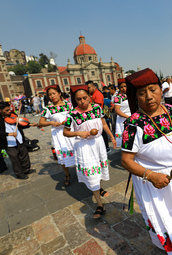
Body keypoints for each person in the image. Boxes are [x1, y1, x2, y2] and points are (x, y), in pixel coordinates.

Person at [121, 68, 172, 254]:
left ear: (162, 89)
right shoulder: (134, 124)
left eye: (153, 89)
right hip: (155, 183)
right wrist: (151, 175)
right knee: (166, 218)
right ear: (136, 98)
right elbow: (126, 160)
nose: (149, 96)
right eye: (142, 93)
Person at [63, 85, 116, 218]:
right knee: (91, 174)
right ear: (75, 100)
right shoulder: (72, 115)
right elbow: (65, 132)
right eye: (79, 99)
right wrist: (78, 133)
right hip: (84, 146)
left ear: (89, 97)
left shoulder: (97, 108)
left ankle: (98, 187)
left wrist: (112, 137)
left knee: (99, 169)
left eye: (84, 98)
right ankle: (100, 205)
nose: (82, 101)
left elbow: (103, 123)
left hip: (98, 143)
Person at [0, 102, 37, 179]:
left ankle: (26, 169)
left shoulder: (13, 115)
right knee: (14, 158)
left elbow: (20, 125)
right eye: (6, 110)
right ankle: (19, 173)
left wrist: (29, 125)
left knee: (24, 155)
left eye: (9, 109)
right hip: (8, 141)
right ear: (0, 110)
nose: (9, 111)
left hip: (19, 139)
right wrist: (7, 134)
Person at [38, 85, 75, 186]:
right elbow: (41, 122)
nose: (52, 96)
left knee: (77, 151)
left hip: (71, 131)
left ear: (59, 93)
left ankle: (81, 171)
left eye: (54, 93)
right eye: (50, 95)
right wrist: (52, 123)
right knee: (63, 155)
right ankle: (67, 174)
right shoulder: (48, 109)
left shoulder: (69, 105)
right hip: (59, 135)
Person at [86, 80, 110, 153]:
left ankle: (106, 147)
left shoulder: (98, 94)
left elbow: (97, 107)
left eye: (89, 87)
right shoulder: (91, 94)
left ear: (93, 86)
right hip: (95, 117)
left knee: (102, 132)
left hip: (99, 116)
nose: (88, 89)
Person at [114, 79, 131, 147]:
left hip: (131, 116)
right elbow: (117, 110)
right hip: (123, 119)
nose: (124, 88)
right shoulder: (118, 97)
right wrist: (128, 117)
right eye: (121, 87)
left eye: (125, 86)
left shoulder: (130, 95)